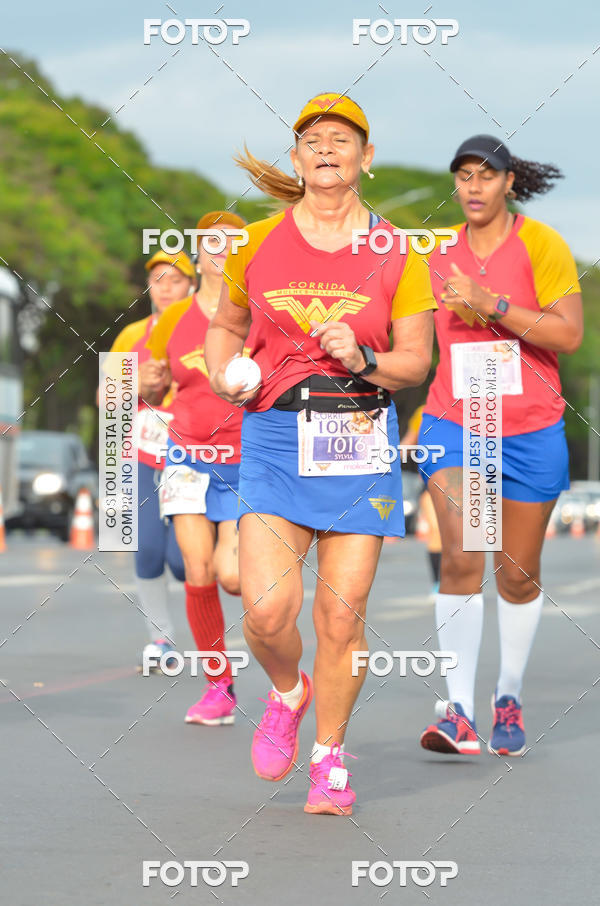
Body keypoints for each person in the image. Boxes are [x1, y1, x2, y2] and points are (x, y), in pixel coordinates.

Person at [205, 93, 436, 814]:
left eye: (342, 139)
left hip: (358, 434)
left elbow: (416, 364)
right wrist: (223, 371)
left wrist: (364, 356)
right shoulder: (257, 245)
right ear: (298, 158)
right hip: (275, 435)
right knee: (269, 610)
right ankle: (287, 691)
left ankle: (329, 758)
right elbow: (225, 327)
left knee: (342, 615)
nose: (327, 148)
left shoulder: (398, 251)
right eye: (312, 139)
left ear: (366, 157)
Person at [418, 135, 583, 756]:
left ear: (509, 182)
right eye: (463, 176)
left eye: (486, 176)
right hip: (458, 423)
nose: (474, 187)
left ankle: (506, 694)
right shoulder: (433, 254)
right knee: (463, 556)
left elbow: (568, 334)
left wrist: (494, 305)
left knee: (515, 575)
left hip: (530, 427)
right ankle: (457, 708)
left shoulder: (540, 243)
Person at [146, 211, 248, 725]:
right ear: (200, 253)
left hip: (246, 459)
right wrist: (148, 381)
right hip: (186, 456)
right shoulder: (173, 318)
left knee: (232, 577)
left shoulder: (260, 315)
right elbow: (152, 386)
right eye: (212, 241)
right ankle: (219, 685)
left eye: (233, 241)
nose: (222, 248)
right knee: (197, 568)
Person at [106, 250, 195, 669]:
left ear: (191, 286)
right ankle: (161, 639)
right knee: (146, 549)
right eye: (157, 279)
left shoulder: (205, 330)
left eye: (174, 280)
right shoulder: (130, 336)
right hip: (141, 453)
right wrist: (134, 387)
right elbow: (107, 403)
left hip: (192, 452)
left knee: (183, 561)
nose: (164, 288)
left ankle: (207, 635)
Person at [401, 404, 442, 597]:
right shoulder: (424, 411)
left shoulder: (474, 408)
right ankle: (438, 583)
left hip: (467, 480)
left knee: (465, 536)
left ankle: (466, 580)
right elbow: (409, 441)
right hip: (432, 481)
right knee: (436, 531)